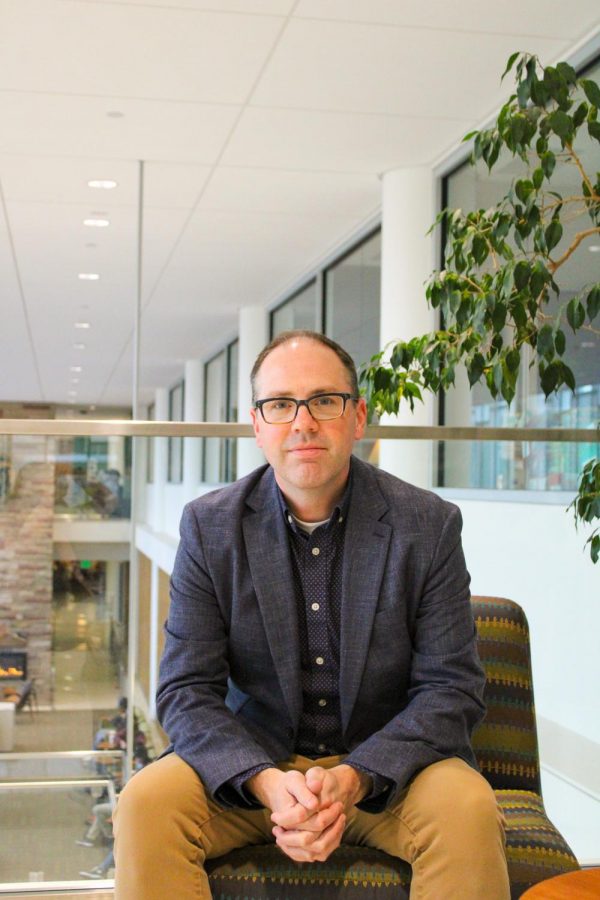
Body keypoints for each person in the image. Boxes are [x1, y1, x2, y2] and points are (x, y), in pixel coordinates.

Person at [113, 330, 510, 899]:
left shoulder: (428, 525)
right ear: (257, 425)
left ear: (358, 416)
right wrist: (268, 784)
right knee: (145, 806)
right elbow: (184, 689)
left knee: (468, 809)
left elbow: (452, 690)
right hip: (256, 767)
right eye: (280, 405)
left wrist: (353, 778)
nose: (303, 422)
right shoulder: (210, 527)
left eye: (325, 400)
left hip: (387, 771)